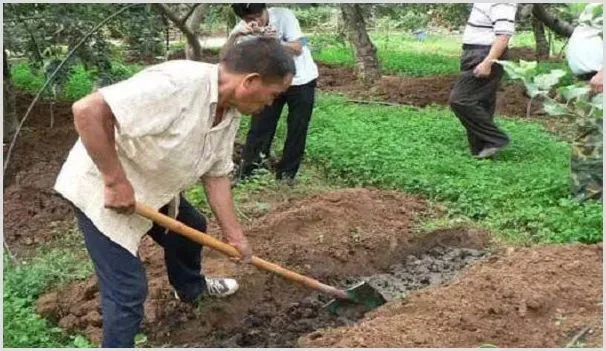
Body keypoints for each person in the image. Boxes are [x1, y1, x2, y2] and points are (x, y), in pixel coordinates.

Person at [53, 37, 295, 347]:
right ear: (250, 81)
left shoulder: (230, 109)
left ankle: (190, 288)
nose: (271, 104)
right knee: (127, 293)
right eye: (273, 95)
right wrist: (114, 181)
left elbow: (216, 174)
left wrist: (235, 235)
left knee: (191, 227)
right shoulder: (177, 85)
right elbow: (87, 110)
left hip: (151, 187)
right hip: (101, 190)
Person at [221, 3, 319, 186]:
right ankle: (248, 173)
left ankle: (287, 175)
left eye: (258, 16)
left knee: (298, 126)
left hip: (301, 79)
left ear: (265, 10)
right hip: (270, 83)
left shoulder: (283, 16)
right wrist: (235, 35)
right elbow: (224, 57)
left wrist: (276, 43)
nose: (255, 21)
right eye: (249, 19)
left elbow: (298, 47)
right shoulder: (243, 29)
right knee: (260, 124)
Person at [449, 3, 517, 159]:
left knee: (460, 100)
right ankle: (480, 151)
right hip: (476, 52)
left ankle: (497, 139)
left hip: (484, 54)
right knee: (482, 102)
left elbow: (503, 36)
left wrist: (488, 62)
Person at [565, 3, 603, 202]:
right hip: (590, 82)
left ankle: (590, 197)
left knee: (589, 141)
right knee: (589, 137)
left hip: (599, 83)